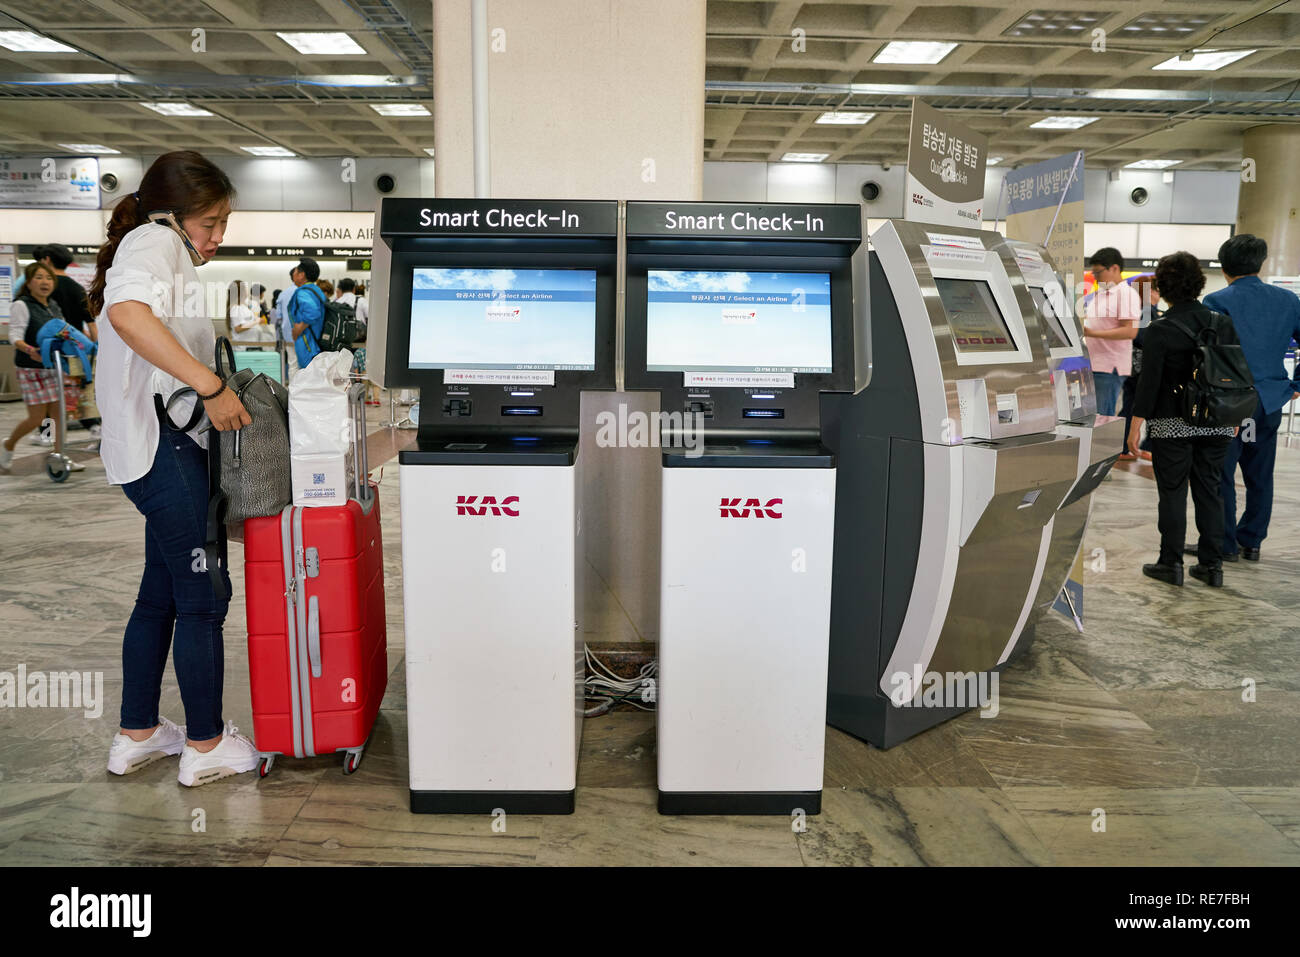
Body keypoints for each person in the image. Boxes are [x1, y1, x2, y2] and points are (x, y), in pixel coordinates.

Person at [88, 149, 260, 786]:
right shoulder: (154, 241)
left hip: (148, 453)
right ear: (173, 214)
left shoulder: (157, 247)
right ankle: (207, 745)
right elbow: (129, 315)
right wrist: (212, 387)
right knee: (202, 597)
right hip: (166, 452)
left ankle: (137, 734)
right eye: (210, 223)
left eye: (223, 223)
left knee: (158, 595)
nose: (219, 235)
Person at [1130, 252, 1238, 588]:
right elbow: (1234, 373)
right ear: (1199, 284)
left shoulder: (1159, 330)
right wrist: (1233, 417)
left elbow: (1148, 384)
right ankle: (1211, 566)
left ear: (1162, 287)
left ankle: (1170, 563)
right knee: (1211, 490)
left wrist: (1135, 425)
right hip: (1217, 420)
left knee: (1173, 492)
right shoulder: (1222, 323)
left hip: (1171, 422)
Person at [1192, 234, 1300, 563]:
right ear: (1261, 263)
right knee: (1259, 473)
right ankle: (1251, 541)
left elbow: (1207, 356)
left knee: (1221, 472)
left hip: (1228, 404)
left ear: (1224, 267)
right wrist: (1296, 383)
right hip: (1269, 401)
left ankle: (1223, 543)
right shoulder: (1288, 301)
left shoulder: (1216, 301)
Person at [0, 262, 81, 472]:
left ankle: (60, 456)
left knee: (58, 414)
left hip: (54, 366)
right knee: (37, 417)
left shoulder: (53, 305)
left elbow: (65, 330)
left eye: (48, 278)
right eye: (38, 277)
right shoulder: (22, 305)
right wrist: (29, 350)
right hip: (31, 369)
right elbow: (14, 336)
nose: (44, 282)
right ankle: (8, 444)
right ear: (28, 282)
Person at [1083, 247, 1142, 416]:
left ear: (1114, 268)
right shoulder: (1100, 294)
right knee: (1090, 417)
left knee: (1100, 418)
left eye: (1098, 273)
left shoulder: (1126, 294)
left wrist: (1092, 333)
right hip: (1093, 364)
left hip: (1109, 367)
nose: (1095, 277)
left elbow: (1130, 331)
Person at [1121, 275, 1161, 462]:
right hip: (1143, 369)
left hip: (1132, 367)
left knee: (1130, 407)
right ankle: (1145, 446)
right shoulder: (1147, 310)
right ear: (1151, 291)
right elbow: (1143, 338)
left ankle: (1123, 446)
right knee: (1147, 407)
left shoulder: (1135, 308)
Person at [284, 256, 326, 371]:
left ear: (301, 275)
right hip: (317, 342)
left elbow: (312, 312)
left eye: (296, 271)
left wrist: (299, 327)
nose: (294, 274)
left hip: (308, 344)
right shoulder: (316, 290)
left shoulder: (302, 292)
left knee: (309, 377)